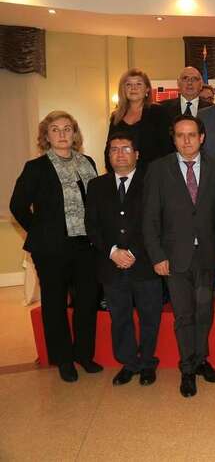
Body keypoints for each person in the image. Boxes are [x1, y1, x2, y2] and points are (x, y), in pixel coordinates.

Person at [10, 111, 100, 382]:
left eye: (67, 128)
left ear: (75, 133)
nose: (62, 134)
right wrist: (40, 232)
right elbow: (17, 206)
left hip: (86, 245)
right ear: (46, 136)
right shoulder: (35, 167)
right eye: (55, 130)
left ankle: (84, 355)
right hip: (51, 249)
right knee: (55, 304)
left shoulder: (88, 162)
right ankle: (63, 359)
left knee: (87, 302)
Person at [142, 114, 215, 398]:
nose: (186, 140)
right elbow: (150, 217)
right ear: (174, 139)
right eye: (180, 135)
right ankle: (187, 368)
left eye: (192, 135)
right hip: (174, 257)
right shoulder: (158, 169)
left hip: (207, 254)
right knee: (184, 315)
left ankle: (201, 360)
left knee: (205, 311)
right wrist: (156, 256)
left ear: (202, 137)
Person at [85, 133, 161, 386]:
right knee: (120, 317)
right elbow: (92, 226)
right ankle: (129, 363)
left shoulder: (152, 182)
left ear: (137, 154)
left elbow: (157, 222)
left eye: (126, 149)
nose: (119, 154)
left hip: (145, 263)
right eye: (114, 149)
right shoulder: (96, 186)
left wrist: (134, 252)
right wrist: (112, 252)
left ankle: (147, 362)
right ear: (108, 155)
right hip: (111, 264)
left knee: (150, 316)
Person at [105, 68, 173, 172]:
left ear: (147, 89)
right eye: (129, 84)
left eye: (138, 84)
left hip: (152, 174)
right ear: (123, 89)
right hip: (123, 175)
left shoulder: (158, 112)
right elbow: (109, 149)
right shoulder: (116, 116)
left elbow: (167, 147)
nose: (133, 88)